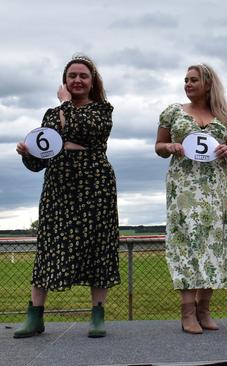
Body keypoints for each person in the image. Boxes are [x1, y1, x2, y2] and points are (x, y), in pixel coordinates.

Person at [14, 53, 120, 338]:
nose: (77, 80)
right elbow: (40, 160)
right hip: (59, 187)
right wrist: (28, 154)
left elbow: (85, 129)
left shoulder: (102, 110)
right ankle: (35, 316)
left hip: (96, 186)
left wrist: (64, 106)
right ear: (65, 80)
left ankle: (97, 314)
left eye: (83, 75)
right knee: (49, 246)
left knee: (98, 246)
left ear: (92, 81)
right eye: (72, 75)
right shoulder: (50, 115)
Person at [155, 63, 227, 334]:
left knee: (212, 246)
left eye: (193, 80)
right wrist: (169, 146)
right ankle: (187, 312)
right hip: (184, 189)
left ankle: (204, 310)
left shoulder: (225, 117)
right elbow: (159, 147)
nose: (188, 84)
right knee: (187, 245)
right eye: (186, 80)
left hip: (216, 190)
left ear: (207, 84)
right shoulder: (173, 112)